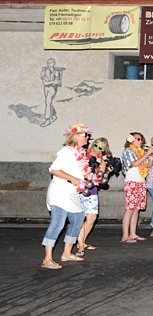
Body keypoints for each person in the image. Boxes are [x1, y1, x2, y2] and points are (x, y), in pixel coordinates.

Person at [41, 123, 94, 269]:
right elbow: (54, 169)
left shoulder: (81, 154)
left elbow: (79, 173)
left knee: (77, 220)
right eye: (85, 135)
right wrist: (72, 178)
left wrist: (88, 177)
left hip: (73, 193)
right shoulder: (66, 152)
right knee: (58, 223)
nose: (88, 137)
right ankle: (47, 259)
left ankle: (67, 253)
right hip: (60, 192)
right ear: (76, 137)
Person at [76, 137, 111, 256]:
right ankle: (80, 244)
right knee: (80, 217)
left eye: (100, 147)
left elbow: (101, 179)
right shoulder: (83, 155)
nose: (96, 148)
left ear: (104, 150)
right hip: (81, 187)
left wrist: (107, 171)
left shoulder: (102, 162)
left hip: (93, 189)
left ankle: (82, 241)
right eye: (96, 144)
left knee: (92, 217)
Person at [121, 131, 153, 243]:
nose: (140, 141)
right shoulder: (128, 151)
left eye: (141, 139)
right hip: (131, 181)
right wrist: (147, 154)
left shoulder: (141, 151)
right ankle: (125, 235)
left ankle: (133, 234)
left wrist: (151, 157)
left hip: (141, 181)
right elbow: (135, 163)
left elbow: (148, 166)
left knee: (136, 209)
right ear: (131, 140)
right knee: (130, 209)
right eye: (138, 139)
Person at [40, 58, 64, 127]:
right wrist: (53, 82)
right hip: (46, 88)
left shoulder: (56, 72)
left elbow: (59, 82)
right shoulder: (44, 71)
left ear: (54, 63)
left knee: (48, 101)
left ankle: (47, 119)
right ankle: (53, 115)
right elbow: (45, 83)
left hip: (53, 88)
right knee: (48, 102)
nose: (49, 64)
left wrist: (51, 82)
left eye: (51, 62)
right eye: (48, 62)